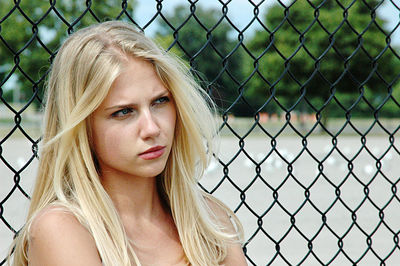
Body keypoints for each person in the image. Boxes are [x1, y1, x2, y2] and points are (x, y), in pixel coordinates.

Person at [8, 21, 246, 266]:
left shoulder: (209, 221)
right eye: (123, 112)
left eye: (160, 101)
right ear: (82, 128)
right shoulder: (61, 229)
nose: (152, 128)